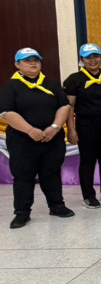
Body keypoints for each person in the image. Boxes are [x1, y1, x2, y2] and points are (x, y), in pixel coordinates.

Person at [1, 48, 74, 228]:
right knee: (23, 176)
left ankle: (56, 205)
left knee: (52, 173)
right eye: (27, 60)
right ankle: (22, 212)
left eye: (36, 60)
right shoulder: (10, 86)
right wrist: (30, 130)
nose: (33, 63)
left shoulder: (51, 84)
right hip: (23, 141)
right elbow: (6, 113)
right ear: (17, 64)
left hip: (51, 138)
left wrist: (55, 127)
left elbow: (64, 106)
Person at [64, 43, 101, 208]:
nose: (93, 60)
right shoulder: (74, 79)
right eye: (88, 57)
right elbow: (69, 107)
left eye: (96, 56)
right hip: (86, 124)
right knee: (87, 160)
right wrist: (71, 130)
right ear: (82, 60)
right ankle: (88, 195)